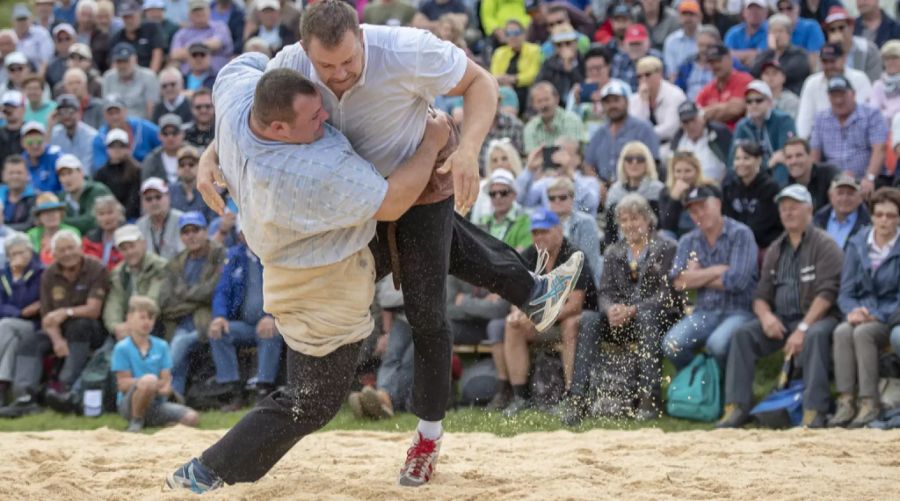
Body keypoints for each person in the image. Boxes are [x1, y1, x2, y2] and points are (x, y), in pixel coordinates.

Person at [186, 3, 583, 488]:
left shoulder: (407, 50)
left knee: (426, 313)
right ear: (305, 51)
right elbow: (257, 114)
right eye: (325, 67)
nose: (337, 76)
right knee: (428, 266)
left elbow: (482, 82)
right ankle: (532, 292)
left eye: (348, 63)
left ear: (363, 37)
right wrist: (217, 154)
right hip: (354, 203)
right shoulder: (291, 64)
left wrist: (469, 149)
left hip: (415, 189)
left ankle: (426, 440)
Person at [717, 184, 843, 429]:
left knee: (815, 335)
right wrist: (766, 317)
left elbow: (828, 294)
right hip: (783, 320)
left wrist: (804, 328)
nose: (788, 213)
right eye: (784, 209)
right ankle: (736, 407)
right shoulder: (776, 248)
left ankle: (814, 410)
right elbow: (761, 295)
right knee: (743, 334)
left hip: (820, 318)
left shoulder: (825, 245)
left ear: (809, 210)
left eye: (794, 207)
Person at [565, 193, 681, 425]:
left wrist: (633, 309)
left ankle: (650, 399)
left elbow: (666, 295)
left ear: (648, 220)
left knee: (647, 318)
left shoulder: (667, 247)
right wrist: (611, 310)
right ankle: (578, 399)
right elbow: (605, 292)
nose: (629, 225)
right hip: (620, 319)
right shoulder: (613, 252)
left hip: (657, 317)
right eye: (624, 220)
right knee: (588, 319)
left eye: (635, 219)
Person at [500, 209, 595, 417]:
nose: (539, 237)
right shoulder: (529, 254)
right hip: (542, 321)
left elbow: (575, 305)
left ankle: (573, 396)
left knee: (571, 324)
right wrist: (517, 312)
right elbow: (516, 292)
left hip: (574, 323)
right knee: (511, 324)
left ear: (559, 230)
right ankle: (520, 397)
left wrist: (536, 315)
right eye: (535, 233)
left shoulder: (574, 255)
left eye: (545, 231)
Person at [7, 230, 108, 416]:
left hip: (91, 329)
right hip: (58, 330)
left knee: (80, 326)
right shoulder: (49, 274)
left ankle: (64, 390)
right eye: (62, 250)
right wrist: (57, 341)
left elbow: (94, 310)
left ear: (80, 248)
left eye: (71, 248)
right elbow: (47, 316)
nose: (67, 253)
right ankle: (24, 398)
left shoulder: (96, 268)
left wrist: (66, 312)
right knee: (31, 341)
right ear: (54, 254)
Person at [663, 184, 758, 371]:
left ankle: (722, 387)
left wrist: (695, 276)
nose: (698, 214)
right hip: (703, 311)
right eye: (693, 211)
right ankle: (702, 385)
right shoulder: (688, 240)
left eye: (703, 206)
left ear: (718, 204)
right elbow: (678, 282)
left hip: (739, 311)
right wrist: (716, 270)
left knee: (717, 345)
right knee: (671, 345)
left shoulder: (741, 234)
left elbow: (737, 282)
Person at [831, 187, 900, 428]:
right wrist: (852, 311)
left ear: (899, 218)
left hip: (890, 317)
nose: (884, 220)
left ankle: (869, 402)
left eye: (890, 215)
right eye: (879, 214)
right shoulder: (857, 243)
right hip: (861, 312)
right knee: (841, 331)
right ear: (871, 216)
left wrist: (875, 315)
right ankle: (846, 400)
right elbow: (846, 291)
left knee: (863, 333)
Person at [208, 237, 284, 410]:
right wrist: (219, 316)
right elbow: (222, 290)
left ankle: (264, 390)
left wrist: (272, 315)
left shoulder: (275, 253)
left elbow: (285, 287)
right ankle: (233, 391)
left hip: (275, 321)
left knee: (270, 332)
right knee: (219, 333)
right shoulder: (235, 256)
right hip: (244, 324)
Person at [158, 211, 225, 399]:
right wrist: (197, 299)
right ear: (181, 237)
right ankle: (173, 402)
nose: (191, 236)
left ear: (205, 231)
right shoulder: (176, 262)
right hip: (180, 323)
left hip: (207, 323)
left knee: (180, 344)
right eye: (186, 232)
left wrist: (186, 294)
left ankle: (159, 394)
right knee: (178, 355)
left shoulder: (219, 254)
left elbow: (213, 290)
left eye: (196, 230)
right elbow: (165, 301)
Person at [112, 295, 200, 432]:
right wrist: (148, 384)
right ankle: (136, 420)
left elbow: (167, 385)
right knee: (149, 380)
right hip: (129, 404)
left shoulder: (162, 346)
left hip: (157, 403)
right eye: (142, 317)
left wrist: (151, 387)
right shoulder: (122, 348)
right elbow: (122, 384)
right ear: (129, 318)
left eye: (151, 318)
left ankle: (157, 426)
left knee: (192, 417)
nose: (147, 322)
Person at [809, 76, 888, 194]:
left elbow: (879, 149)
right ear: (828, 97)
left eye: (842, 95)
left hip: (865, 179)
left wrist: (869, 178)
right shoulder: (820, 118)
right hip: (832, 181)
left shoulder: (871, 114)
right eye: (834, 96)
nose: (838, 100)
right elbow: (814, 154)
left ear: (854, 94)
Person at [585, 80, 659, 185]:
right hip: (604, 189)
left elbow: (654, 163)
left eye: (616, 100)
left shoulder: (643, 128)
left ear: (626, 102)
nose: (612, 106)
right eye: (607, 102)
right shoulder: (599, 133)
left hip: (636, 187)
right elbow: (588, 165)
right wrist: (599, 185)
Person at [102, 224, 167, 339]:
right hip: (127, 327)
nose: (129, 252)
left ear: (143, 244)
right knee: (103, 356)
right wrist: (116, 326)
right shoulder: (118, 272)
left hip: (157, 323)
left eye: (132, 246)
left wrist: (133, 326)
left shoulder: (160, 267)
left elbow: (153, 300)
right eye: (124, 249)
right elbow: (114, 303)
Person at [796, 43, 873, 139]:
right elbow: (804, 119)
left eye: (832, 61)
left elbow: (864, 116)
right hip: (820, 140)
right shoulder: (812, 82)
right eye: (825, 61)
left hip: (856, 138)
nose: (829, 66)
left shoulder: (859, 78)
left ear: (844, 59)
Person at [729, 80, 797, 184]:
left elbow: (785, 154)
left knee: (782, 162)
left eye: (758, 100)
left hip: (777, 174)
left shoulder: (783, 120)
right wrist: (768, 164)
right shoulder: (742, 126)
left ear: (769, 102)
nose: (754, 104)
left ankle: (779, 193)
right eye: (749, 101)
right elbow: (733, 160)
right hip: (753, 174)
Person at [0, 233, 41, 402]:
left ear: (30, 252)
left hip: (33, 326)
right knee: (11, 341)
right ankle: (2, 387)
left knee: (5, 325)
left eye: (21, 253)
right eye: (13, 254)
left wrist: (18, 280)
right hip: (10, 327)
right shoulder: (3, 275)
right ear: (7, 257)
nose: (18, 258)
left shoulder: (40, 273)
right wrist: (19, 312)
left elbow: (28, 301)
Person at [722, 140, 784, 250]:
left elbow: (761, 225)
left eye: (746, 158)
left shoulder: (770, 188)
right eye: (737, 159)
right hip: (734, 243)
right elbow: (726, 218)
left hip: (764, 245)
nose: (741, 163)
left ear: (758, 160)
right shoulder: (729, 186)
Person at [604, 141, 665, 247]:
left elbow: (662, 227)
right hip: (620, 248)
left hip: (652, 247)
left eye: (640, 159)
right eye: (629, 159)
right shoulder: (614, 191)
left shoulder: (658, 190)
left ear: (648, 162)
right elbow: (610, 230)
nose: (634, 162)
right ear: (622, 163)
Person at [547, 177, 602, 289]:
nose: (557, 201)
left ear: (572, 199)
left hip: (582, 286)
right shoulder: (543, 224)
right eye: (552, 198)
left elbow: (588, 262)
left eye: (562, 197)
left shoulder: (586, 222)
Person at [629, 55, 686, 144]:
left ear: (659, 74)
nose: (643, 80)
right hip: (644, 145)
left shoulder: (675, 94)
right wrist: (643, 103)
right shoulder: (634, 99)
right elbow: (635, 127)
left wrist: (644, 134)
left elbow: (670, 129)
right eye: (639, 76)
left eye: (647, 75)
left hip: (671, 144)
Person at [90, 97, 160, 171]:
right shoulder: (100, 138)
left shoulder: (142, 127)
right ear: (104, 115)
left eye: (117, 112)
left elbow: (163, 139)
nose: (115, 117)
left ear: (125, 111)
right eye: (110, 113)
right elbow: (100, 167)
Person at [696, 42, 753, 130]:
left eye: (718, 61)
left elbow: (735, 110)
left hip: (736, 136)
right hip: (711, 137)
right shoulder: (707, 89)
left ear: (729, 59)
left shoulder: (743, 80)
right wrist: (724, 107)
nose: (715, 66)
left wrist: (706, 112)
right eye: (711, 63)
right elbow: (696, 115)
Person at [671, 101, 731, 183]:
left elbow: (731, 162)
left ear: (702, 118)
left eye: (693, 120)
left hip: (717, 185)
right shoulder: (678, 140)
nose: (691, 126)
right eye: (686, 122)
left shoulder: (719, 134)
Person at [749, 14, 811, 95]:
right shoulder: (765, 54)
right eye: (773, 32)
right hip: (766, 97)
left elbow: (785, 74)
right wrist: (771, 50)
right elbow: (754, 71)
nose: (777, 35)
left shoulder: (799, 54)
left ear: (789, 34)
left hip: (790, 94)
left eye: (780, 31)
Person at [170, 0, 234, 75]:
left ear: (209, 11)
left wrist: (189, 48)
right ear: (189, 14)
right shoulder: (182, 33)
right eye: (195, 11)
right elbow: (175, 54)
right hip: (188, 76)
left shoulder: (220, 27)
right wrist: (204, 47)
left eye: (202, 10)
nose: (199, 13)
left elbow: (216, 44)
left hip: (216, 73)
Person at [658, 151, 712, 239]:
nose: (682, 176)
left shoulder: (707, 190)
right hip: (675, 236)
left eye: (687, 171)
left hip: (699, 234)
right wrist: (674, 198)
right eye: (678, 171)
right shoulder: (665, 192)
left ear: (696, 171)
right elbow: (667, 226)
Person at [491, 20, 540, 114]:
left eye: (516, 33)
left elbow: (533, 74)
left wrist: (514, 79)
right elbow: (494, 75)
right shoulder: (499, 52)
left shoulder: (534, 50)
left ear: (524, 34)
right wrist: (504, 81)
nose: (513, 36)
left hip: (524, 89)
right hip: (503, 89)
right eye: (509, 33)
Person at [101, 43, 160, 120]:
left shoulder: (148, 77)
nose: (122, 65)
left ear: (135, 60)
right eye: (119, 62)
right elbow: (106, 107)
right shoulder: (108, 77)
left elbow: (151, 109)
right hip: (115, 125)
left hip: (140, 125)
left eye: (126, 61)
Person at [479, 169, 533, 252]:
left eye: (503, 193)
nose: (498, 197)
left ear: (514, 194)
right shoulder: (483, 221)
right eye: (493, 194)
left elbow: (522, 252)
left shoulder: (526, 220)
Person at [93, 128, 142, 220]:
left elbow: (135, 199)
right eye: (113, 146)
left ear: (128, 148)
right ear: (107, 149)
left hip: (132, 217)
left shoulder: (136, 170)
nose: (117, 149)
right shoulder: (100, 173)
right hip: (108, 217)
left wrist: (122, 216)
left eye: (121, 146)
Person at [823, 7, 882, 83]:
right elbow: (822, 81)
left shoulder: (868, 49)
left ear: (851, 27)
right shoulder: (824, 53)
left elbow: (874, 81)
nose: (837, 32)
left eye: (841, 28)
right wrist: (835, 51)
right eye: (832, 30)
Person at [55, 154, 110, 234]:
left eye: (70, 173)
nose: (66, 179)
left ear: (81, 172)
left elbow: (92, 221)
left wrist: (60, 222)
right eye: (62, 175)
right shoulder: (61, 198)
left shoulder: (98, 191)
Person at [522, 82, 584, 153]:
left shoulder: (572, 120)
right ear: (533, 105)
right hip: (541, 164)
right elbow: (532, 156)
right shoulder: (530, 128)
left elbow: (574, 154)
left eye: (547, 99)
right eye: (539, 101)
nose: (544, 105)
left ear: (557, 99)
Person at [814, 175, 871, 250]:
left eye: (850, 194)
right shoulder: (817, 220)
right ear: (830, 196)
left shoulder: (869, 224)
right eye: (840, 193)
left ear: (860, 198)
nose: (844, 198)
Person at [108, 0, 164, 73]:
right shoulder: (117, 38)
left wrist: (151, 77)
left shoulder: (151, 29)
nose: (128, 21)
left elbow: (157, 54)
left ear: (139, 14)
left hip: (149, 74)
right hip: (125, 78)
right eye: (125, 17)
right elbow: (114, 65)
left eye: (131, 16)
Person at [783, 137, 839, 210]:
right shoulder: (786, 189)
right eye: (789, 157)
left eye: (799, 155)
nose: (794, 161)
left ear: (810, 156)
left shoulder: (829, 174)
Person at [136, 178, 184, 260]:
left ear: (168, 197)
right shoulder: (139, 225)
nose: (154, 202)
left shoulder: (182, 220)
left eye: (158, 197)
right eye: (148, 199)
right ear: (142, 202)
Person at [27, 193, 81, 265]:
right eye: (46, 212)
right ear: (39, 218)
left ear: (61, 214)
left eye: (54, 211)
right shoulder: (31, 234)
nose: (51, 215)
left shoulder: (72, 232)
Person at [50, 94, 98, 170]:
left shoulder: (91, 135)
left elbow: (87, 167)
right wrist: (49, 126)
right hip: (60, 177)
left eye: (70, 112)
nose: (66, 116)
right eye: (62, 112)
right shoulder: (54, 134)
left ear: (79, 113)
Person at [81, 195, 126, 270]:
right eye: (101, 214)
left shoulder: (129, 236)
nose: (106, 218)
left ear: (119, 214)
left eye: (110, 213)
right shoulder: (89, 239)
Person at [141, 114, 185, 186]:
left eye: (174, 132)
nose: (170, 137)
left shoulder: (196, 156)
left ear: (183, 134)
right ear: (159, 136)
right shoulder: (151, 160)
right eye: (165, 133)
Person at [723, 0, 768, 69]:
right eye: (750, 9)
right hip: (735, 74)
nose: (754, 12)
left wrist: (736, 55)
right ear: (743, 12)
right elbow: (726, 54)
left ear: (765, 12)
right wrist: (752, 54)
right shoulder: (733, 32)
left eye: (758, 9)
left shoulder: (770, 31)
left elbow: (763, 54)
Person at [20, 121, 62, 194]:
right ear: (22, 143)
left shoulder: (55, 155)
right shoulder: (21, 161)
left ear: (45, 139)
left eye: (39, 140)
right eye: (29, 141)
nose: (35, 145)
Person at [663, 0, 702, 76]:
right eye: (684, 14)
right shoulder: (671, 41)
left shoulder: (707, 37)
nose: (688, 18)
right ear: (679, 17)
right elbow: (671, 73)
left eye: (691, 14)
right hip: (679, 83)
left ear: (699, 16)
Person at [0, 155, 37, 231]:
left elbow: (31, 225)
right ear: (3, 175)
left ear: (27, 175)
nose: (15, 176)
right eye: (11, 173)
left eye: (19, 173)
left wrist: (4, 230)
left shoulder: (36, 197)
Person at [868, 41, 900, 123]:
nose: (890, 61)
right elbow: (873, 112)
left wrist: (885, 111)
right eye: (887, 58)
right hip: (883, 130)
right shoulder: (878, 85)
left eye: (894, 57)